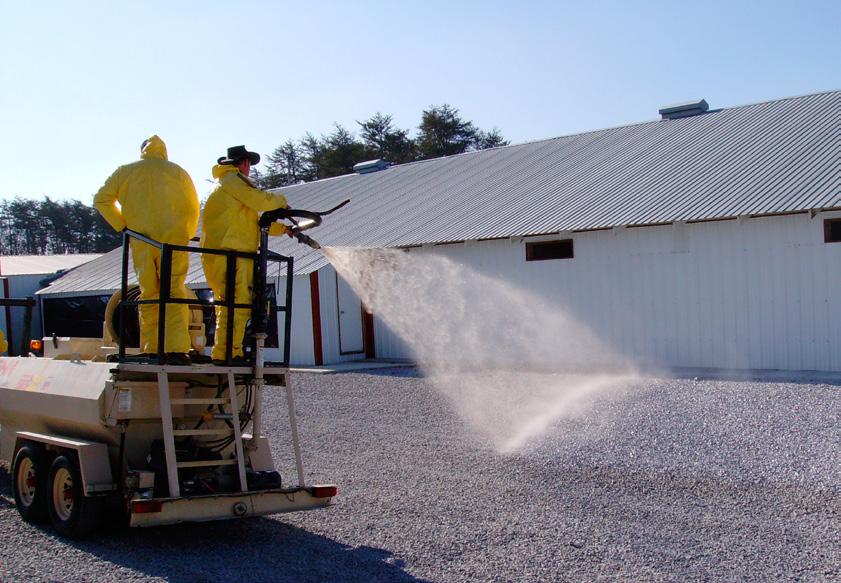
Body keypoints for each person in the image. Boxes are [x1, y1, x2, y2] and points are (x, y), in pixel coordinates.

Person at [94, 135, 200, 365]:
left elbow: (101, 199)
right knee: (173, 291)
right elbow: (193, 207)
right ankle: (177, 350)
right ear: (164, 151)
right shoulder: (179, 172)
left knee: (150, 292)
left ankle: (152, 347)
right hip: (173, 241)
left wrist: (124, 226)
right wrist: (186, 233)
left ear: (142, 151)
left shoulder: (125, 171)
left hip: (142, 241)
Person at [201, 145, 289, 364]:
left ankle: (229, 351)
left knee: (233, 304)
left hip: (233, 254)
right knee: (236, 304)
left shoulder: (233, 188)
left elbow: (252, 223)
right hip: (228, 256)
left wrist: (284, 229)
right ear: (243, 163)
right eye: (248, 163)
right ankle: (228, 353)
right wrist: (281, 201)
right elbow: (260, 201)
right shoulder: (232, 182)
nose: (249, 168)